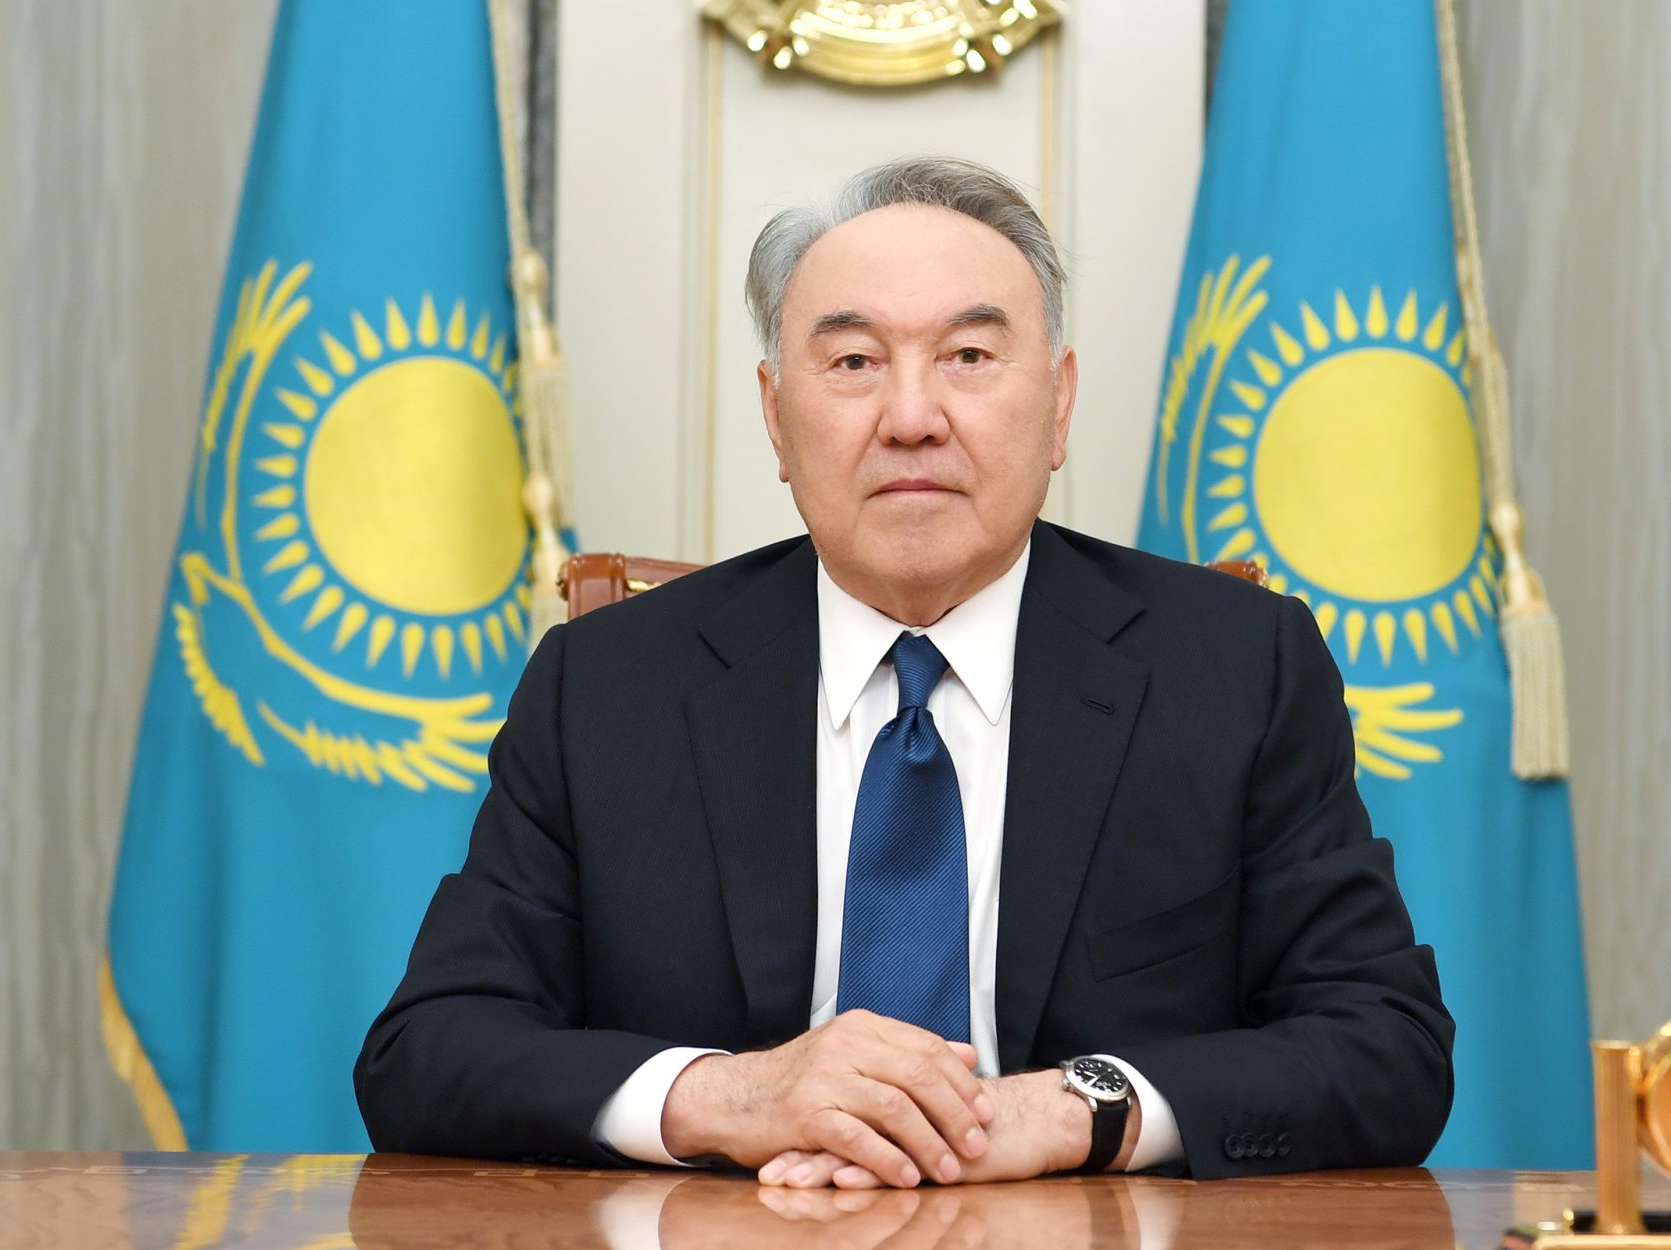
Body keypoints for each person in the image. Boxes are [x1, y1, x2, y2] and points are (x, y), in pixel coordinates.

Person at [355, 156, 1452, 1186]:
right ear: (775, 416)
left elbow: (1387, 1046)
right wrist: (727, 1095)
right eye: (854, 363)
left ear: (1059, 403)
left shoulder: (1236, 669)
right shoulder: (607, 686)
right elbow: (428, 1050)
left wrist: (1076, 1107)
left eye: (969, 357)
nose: (914, 419)